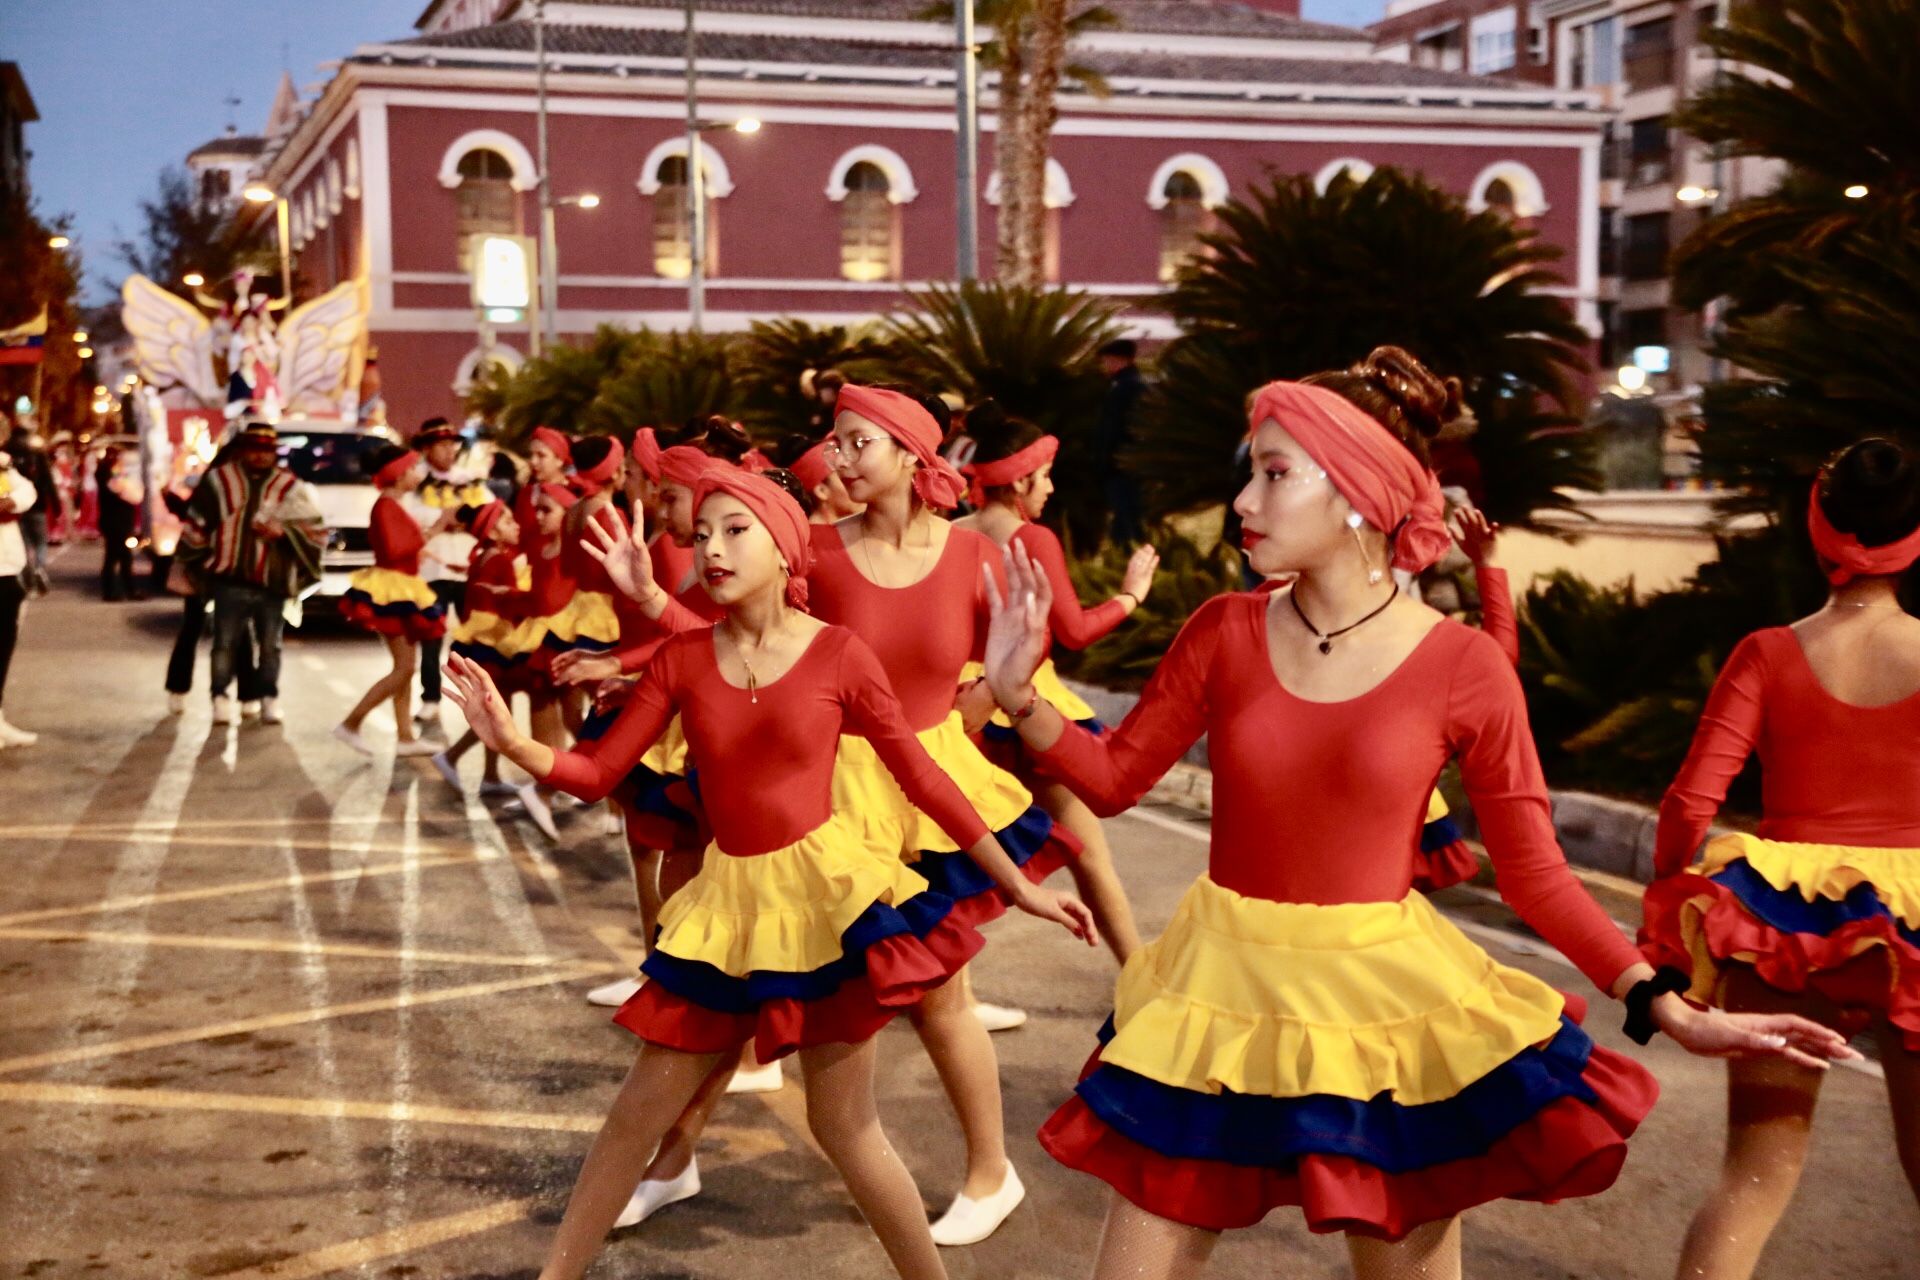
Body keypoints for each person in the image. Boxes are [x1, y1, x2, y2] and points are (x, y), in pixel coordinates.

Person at [979, 376, 1855, 1280]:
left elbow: (1536, 876)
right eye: (1252, 472)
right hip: (1218, 990)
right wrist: (1016, 696)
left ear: (1358, 494)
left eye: (1275, 474)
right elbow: (1116, 779)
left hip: (1383, 1009)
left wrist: (1660, 1001)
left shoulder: (1464, 664)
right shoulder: (1223, 631)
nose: (1243, 498)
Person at [442, 467, 1093, 1280]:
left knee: (846, 1128)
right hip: (728, 910)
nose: (711, 548)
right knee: (632, 1121)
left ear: (785, 550)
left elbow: (924, 781)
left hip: (829, 905)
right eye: (703, 533)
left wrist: (1023, 884)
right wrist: (512, 744)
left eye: (734, 530)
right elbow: (596, 772)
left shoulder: (840, 654)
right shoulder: (681, 659)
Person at [811, 382, 1086, 1245]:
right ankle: (672, 1157)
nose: (839, 457)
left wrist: (964, 717)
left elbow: (1007, 661)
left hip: (933, 800)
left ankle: (990, 1172)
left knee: (938, 999)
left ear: (908, 454)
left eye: (857, 442)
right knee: (785, 981)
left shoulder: (972, 558)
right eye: (836, 442)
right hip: (837, 796)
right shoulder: (816, 553)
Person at [1641, 436, 1920, 1280]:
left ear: (1819, 526)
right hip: (1911, 931)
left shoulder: (1767, 652)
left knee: (1754, 1180)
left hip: (1780, 926)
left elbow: (1691, 802)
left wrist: (1666, 912)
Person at [955, 399, 1158, 962]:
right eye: (1045, 477)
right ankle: (1136, 973)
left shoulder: (952, 533)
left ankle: (948, 998)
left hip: (961, 712)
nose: (1049, 490)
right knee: (1089, 852)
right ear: (1020, 479)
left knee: (946, 860)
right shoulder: (1031, 537)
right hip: (1023, 704)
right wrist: (1131, 595)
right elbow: (1072, 631)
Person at [175, 422, 325, 726]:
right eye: (254, 449)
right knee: (224, 644)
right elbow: (197, 524)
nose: (260, 456)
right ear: (243, 450)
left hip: (273, 581)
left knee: (271, 645)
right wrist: (193, 564)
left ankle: (269, 698)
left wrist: (283, 532)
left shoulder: (290, 487)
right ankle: (220, 698)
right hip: (228, 579)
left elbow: (316, 532)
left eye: (266, 450)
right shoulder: (219, 481)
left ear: (274, 453)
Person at [334, 444, 447, 758]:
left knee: (404, 666)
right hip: (393, 590)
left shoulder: (393, 504)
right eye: (412, 468)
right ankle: (351, 723)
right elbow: (396, 549)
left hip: (402, 586)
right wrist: (437, 528)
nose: (417, 474)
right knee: (404, 668)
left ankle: (405, 737)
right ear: (397, 475)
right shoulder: (386, 506)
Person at [437, 500, 532, 792]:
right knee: (496, 715)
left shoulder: (481, 557)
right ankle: (451, 756)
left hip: (480, 643)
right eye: (507, 522)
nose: (516, 526)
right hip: (493, 645)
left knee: (497, 711)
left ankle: (490, 776)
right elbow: (504, 605)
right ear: (492, 531)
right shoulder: (500, 560)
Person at [404, 418, 490, 735]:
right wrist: (441, 520)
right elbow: (411, 525)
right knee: (431, 637)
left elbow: (490, 515)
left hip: (468, 569)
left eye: (452, 444)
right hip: (432, 570)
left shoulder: (471, 481)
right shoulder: (415, 485)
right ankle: (430, 697)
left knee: (473, 633)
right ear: (427, 448)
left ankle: (475, 691)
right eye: (441, 445)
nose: (449, 450)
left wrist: (466, 522)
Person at [0, 441, 38, 748]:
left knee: (3, 645)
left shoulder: (3, 465)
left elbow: (27, 491)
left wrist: (11, 501)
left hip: (7, 568)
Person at [1092, 338, 1147, 546]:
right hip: (1123, 466)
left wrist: (1105, 460)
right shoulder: (1124, 386)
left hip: (1121, 467)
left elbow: (1113, 430)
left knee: (1126, 517)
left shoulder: (1127, 389)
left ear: (1118, 360)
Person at [96, 444, 143, 601]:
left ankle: (127, 589)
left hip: (118, 521)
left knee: (123, 557)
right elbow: (123, 492)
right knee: (114, 556)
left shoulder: (111, 473)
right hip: (116, 521)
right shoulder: (109, 475)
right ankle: (112, 592)